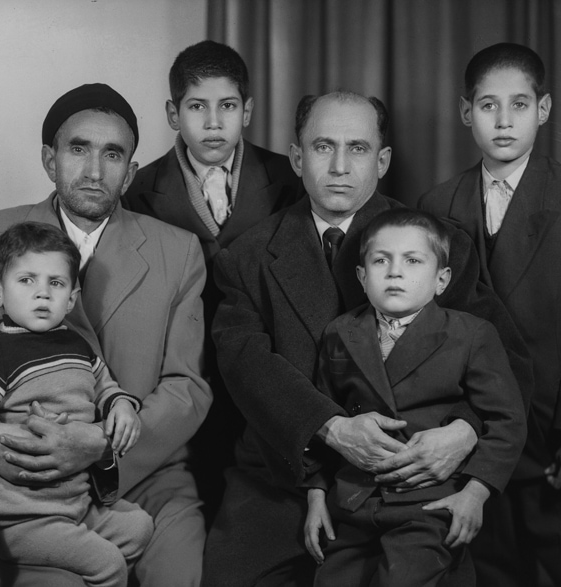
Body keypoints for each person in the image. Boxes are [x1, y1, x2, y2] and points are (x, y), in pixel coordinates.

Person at [202, 90, 532, 587]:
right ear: (296, 157)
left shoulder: (436, 244)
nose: (339, 165)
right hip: (287, 476)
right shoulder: (245, 256)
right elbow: (244, 364)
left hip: (417, 483)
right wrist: (330, 427)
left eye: (357, 149)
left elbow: (507, 364)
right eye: (322, 147)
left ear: (382, 161)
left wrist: (462, 433)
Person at [0, 83, 210, 587]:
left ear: (132, 172)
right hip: (25, 483)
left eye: (113, 154)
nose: (95, 171)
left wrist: (101, 444)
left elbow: (185, 387)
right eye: (78, 149)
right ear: (49, 159)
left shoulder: (179, 251)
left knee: (180, 577)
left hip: (147, 474)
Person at [418, 42, 561, 587]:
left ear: (544, 108)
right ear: (466, 113)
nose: (503, 121)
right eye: (487, 106)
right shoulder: (439, 205)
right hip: (481, 433)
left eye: (520, 105)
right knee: (493, 571)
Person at [122, 40, 301, 521]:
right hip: (181, 374)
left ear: (248, 110)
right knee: (192, 502)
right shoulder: (139, 190)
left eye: (227, 106)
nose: (214, 122)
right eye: (197, 107)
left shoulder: (289, 177)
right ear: (173, 113)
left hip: (267, 369)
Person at [304, 208, 526, 586]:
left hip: (429, 503)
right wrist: (315, 496)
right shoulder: (340, 333)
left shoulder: (471, 334)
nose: (395, 272)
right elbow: (323, 420)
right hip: (354, 502)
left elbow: (507, 422)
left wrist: (474, 494)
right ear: (361, 276)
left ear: (441, 280)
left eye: (412, 260)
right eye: (380, 260)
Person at [0, 222, 153, 587]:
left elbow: (103, 383)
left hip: (76, 503)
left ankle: (68, 567)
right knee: (109, 565)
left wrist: (119, 404)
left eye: (56, 283)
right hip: (22, 516)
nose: (42, 294)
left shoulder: (76, 344)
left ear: (71, 298)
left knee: (139, 527)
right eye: (26, 281)